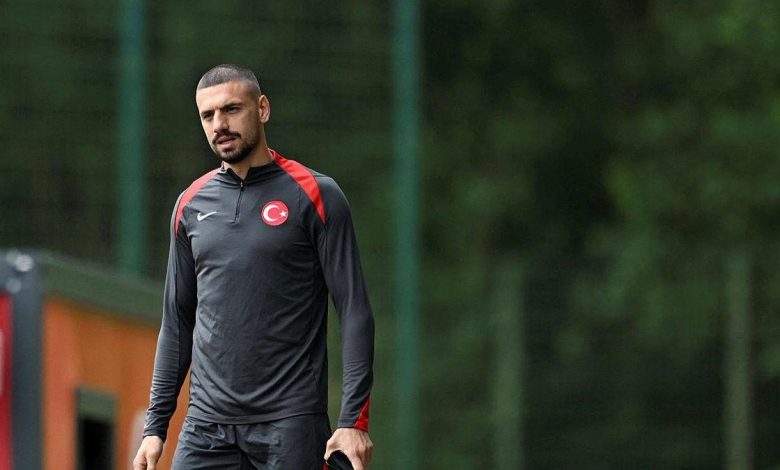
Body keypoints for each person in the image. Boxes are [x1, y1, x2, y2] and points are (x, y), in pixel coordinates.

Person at [133, 64, 375, 470]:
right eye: (208, 115)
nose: (219, 125)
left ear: (262, 109)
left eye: (231, 109)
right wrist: (155, 427)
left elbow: (354, 310)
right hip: (206, 429)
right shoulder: (189, 204)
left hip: (290, 425)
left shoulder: (316, 194)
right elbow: (177, 322)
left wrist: (353, 421)